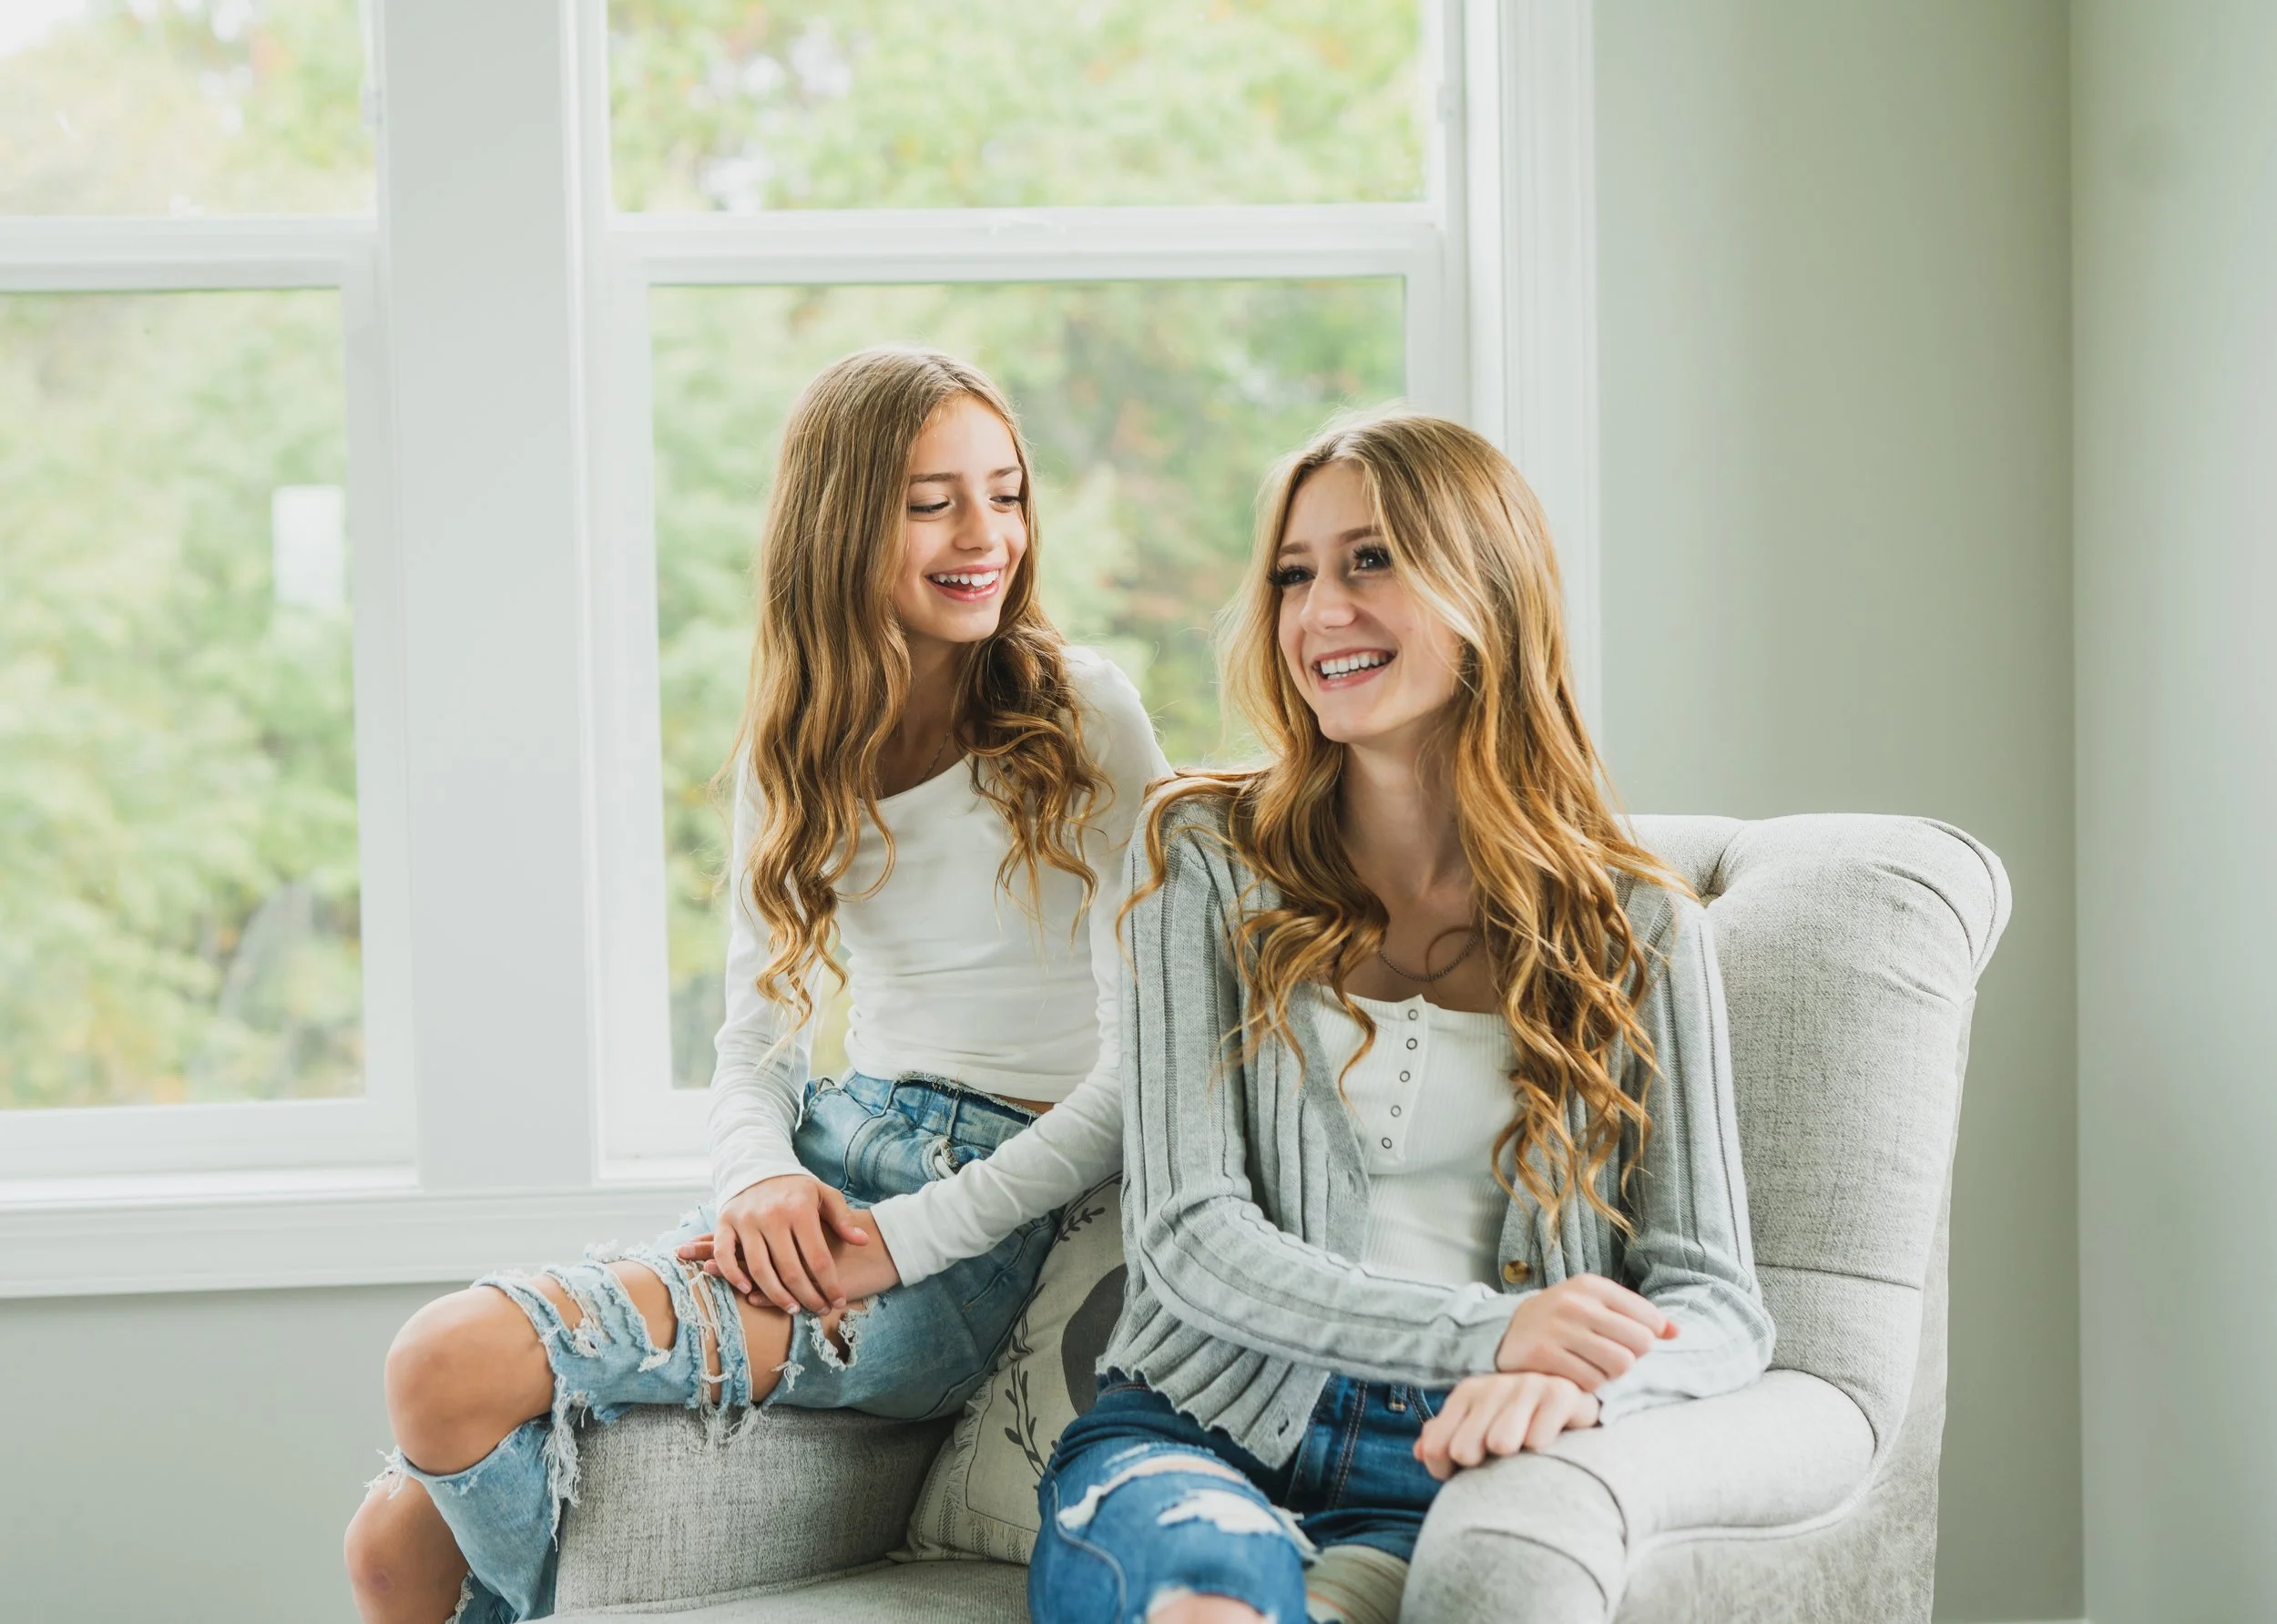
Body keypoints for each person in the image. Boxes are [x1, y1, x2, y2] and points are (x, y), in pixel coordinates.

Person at [344, 346, 1169, 1624]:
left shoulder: (1085, 714)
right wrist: (760, 1178)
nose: (986, 534)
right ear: (843, 519)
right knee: (396, 1539)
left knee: (443, 1359)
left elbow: (1133, 1086)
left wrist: (893, 1242)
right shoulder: (798, 741)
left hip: (966, 1232)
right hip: (828, 1162)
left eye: (1004, 493)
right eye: (931, 498)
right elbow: (755, 1047)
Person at [1029, 411, 1775, 1624]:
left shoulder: (1637, 929)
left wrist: (1582, 1392)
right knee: (1213, 1602)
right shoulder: (1205, 860)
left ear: (1487, 588)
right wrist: (1491, 1332)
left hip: (1453, 1475)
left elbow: (1717, 1301)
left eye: (1370, 560)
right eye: (1295, 573)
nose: (1322, 611)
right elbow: (1188, 1231)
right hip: (1194, 1438)